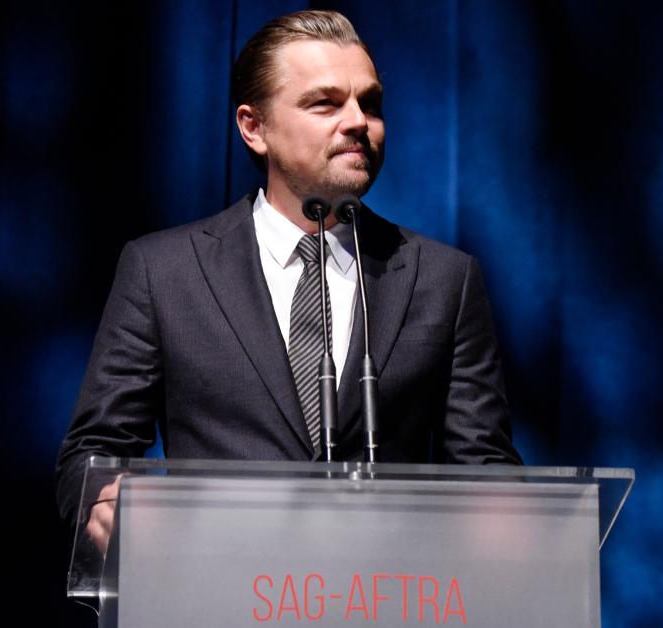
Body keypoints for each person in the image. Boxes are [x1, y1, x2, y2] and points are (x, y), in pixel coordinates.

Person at [55, 10, 522, 550]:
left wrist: (506, 521)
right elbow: (91, 455)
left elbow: (488, 471)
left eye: (370, 105)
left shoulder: (445, 279)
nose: (357, 123)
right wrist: (105, 502)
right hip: (213, 590)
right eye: (325, 103)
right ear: (254, 128)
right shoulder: (164, 271)